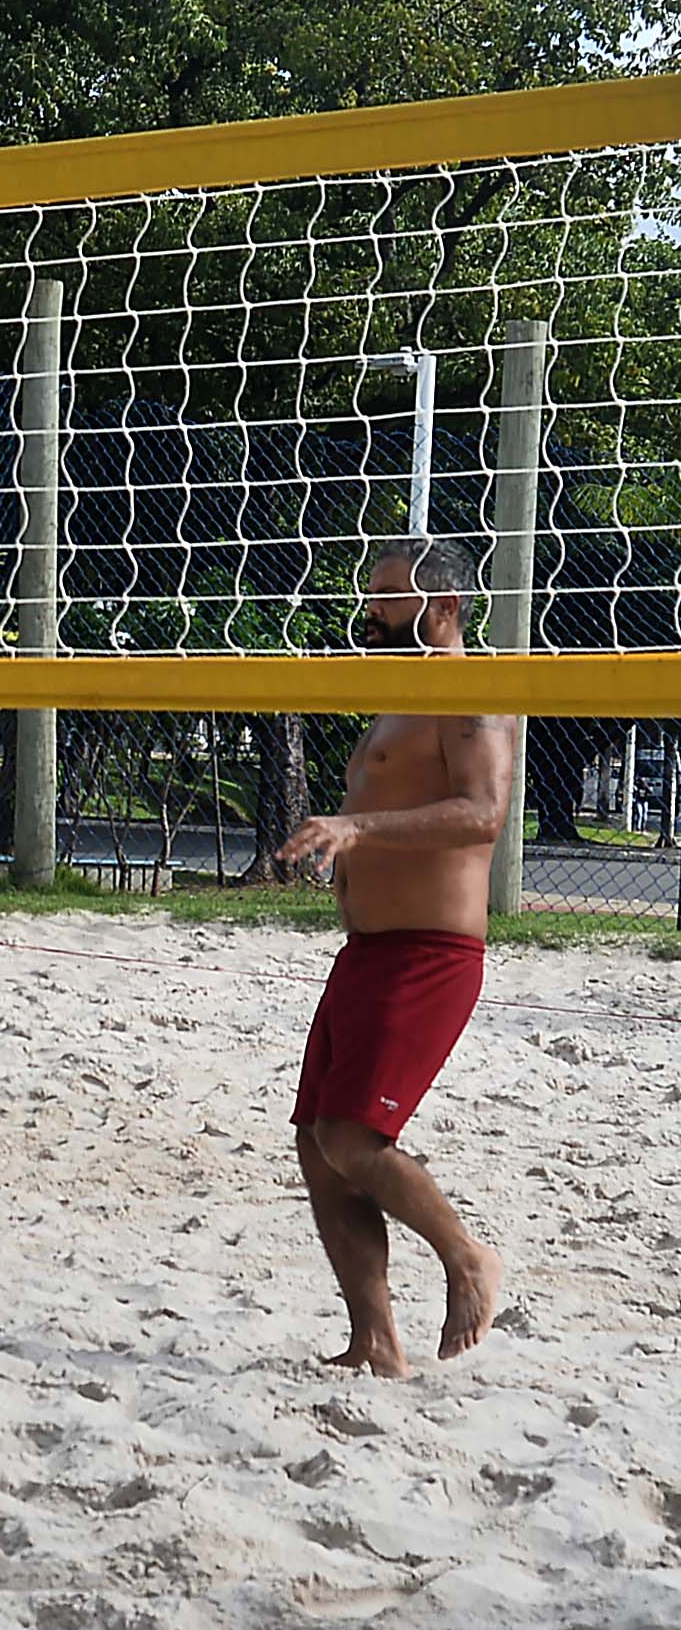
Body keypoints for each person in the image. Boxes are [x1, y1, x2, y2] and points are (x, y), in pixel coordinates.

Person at [273, 535, 511, 1379]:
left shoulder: (471, 691)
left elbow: (482, 812)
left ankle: (466, 1255)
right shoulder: (398, 690)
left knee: (351, 1137)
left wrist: (356, 829)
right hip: (367, 950)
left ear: (441, 608)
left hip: (430, 952)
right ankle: (374, 1341)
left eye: (385, 596)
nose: (368, 609)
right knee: (314, 1143)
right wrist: (343, 842)